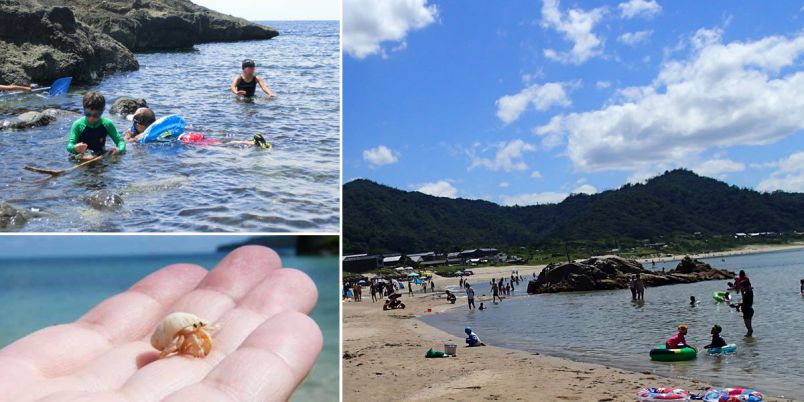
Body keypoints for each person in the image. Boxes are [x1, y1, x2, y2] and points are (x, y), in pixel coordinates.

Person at [0, 246, 320, 401]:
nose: (201, 335)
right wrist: (176, 348)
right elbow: (183, 338)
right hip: (169, 340)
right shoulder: (179, 335)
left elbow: (198, 332)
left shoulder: (192, 328)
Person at [67, 91, 125, 157]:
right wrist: (75, 148)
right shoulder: (78, 125)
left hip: (99, 156)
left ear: (103, 111)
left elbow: (120, 141)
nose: (91, 118)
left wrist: (119, 150)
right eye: (88, 114)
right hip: (81, 156)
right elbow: (69, 145)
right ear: (83, 109)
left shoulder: (107, 124)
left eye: (96, 115)